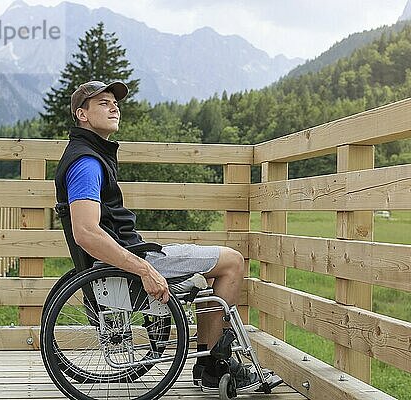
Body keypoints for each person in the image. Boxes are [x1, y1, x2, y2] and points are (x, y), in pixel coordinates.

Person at [53, 80, 260, 391]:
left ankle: (209, 362)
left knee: (206, 275)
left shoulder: (91, 154)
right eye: (103, 103)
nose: (114, 107)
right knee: (231, 261)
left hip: (128, 257)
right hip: (133, 263)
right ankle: (213, 367)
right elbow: (86, 233)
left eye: (115, 102)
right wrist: (145, 270)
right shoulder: (86, 163)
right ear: (82, 115)